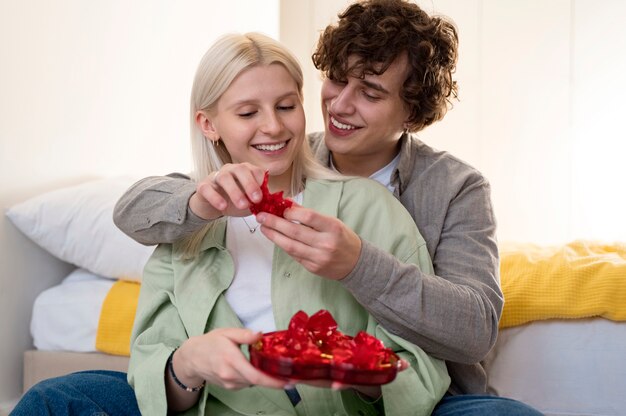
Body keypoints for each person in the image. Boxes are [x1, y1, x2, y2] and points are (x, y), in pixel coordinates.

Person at [112, 1, 544, 415]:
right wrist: (197, 201)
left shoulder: (453, 188)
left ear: (411, 113)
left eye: (370, 93)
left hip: (423, 394)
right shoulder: (280, 153)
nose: (338, 106)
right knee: (71, 394)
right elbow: (137, 207)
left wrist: (356, 264)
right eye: (337, 80)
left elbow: (474, 331)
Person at [12, 32, 450, 416]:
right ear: (208, 124)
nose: (273, 126)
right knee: (55, 398)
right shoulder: (187, 223)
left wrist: (356, 372)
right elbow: (154, 378)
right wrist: (187, 363)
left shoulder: (369, 207)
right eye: (247, 113)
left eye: (286, 105)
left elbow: (418, 367)